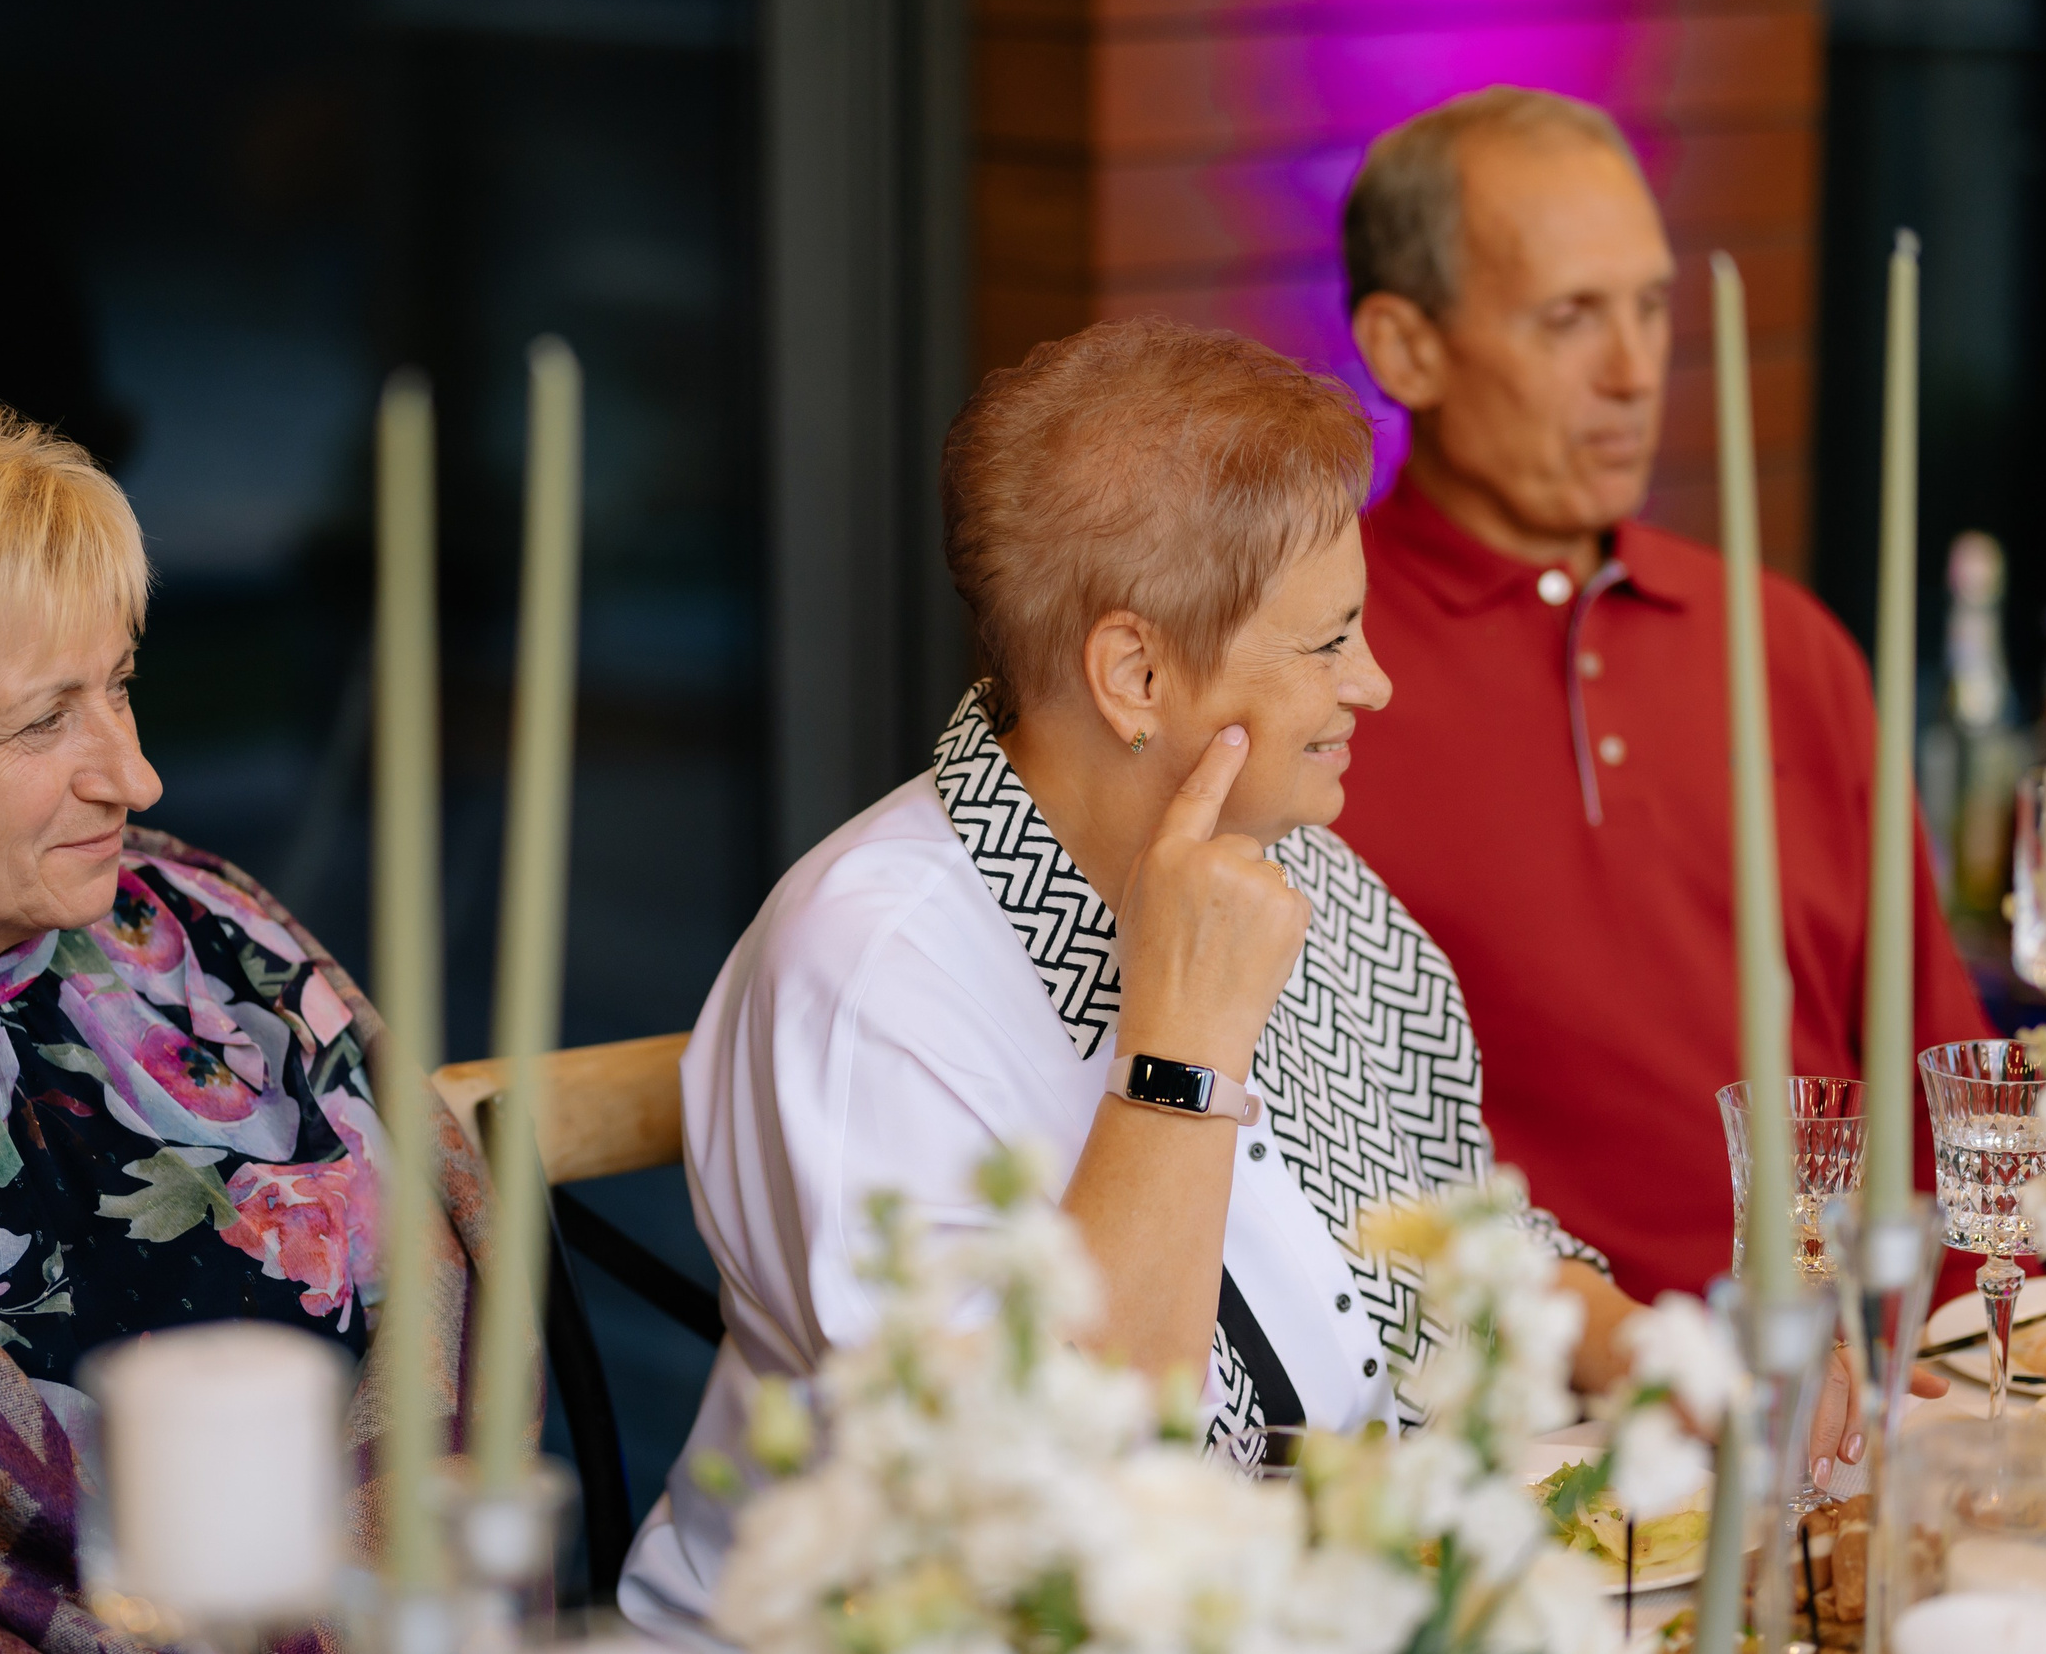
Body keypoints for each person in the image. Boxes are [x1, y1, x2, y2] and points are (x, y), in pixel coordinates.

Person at [620, 319, 1650, 1642]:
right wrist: (1183, 1042)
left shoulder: (1296, 868)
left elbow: (1449, 1235)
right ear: (1137, 673)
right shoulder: (867, 974)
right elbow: (1046, 1507)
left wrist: (1634, 1346)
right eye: (1327, 640)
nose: (1374, 683)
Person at [0, 388, 494, 1647]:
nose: (135, 773)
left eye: (119, 685)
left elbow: (447, 1348)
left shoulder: (217, 939)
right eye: (45, 718)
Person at [1329, 86, 1995, 1307]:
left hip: (1841, 1386)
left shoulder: (1782, 645)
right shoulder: (1314, 678)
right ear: (1402, 348)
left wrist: (1963, 1379)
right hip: (1526, 1422)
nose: (1636, 372)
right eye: (1570, 317)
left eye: (1650, 306)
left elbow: (1933, 1068)